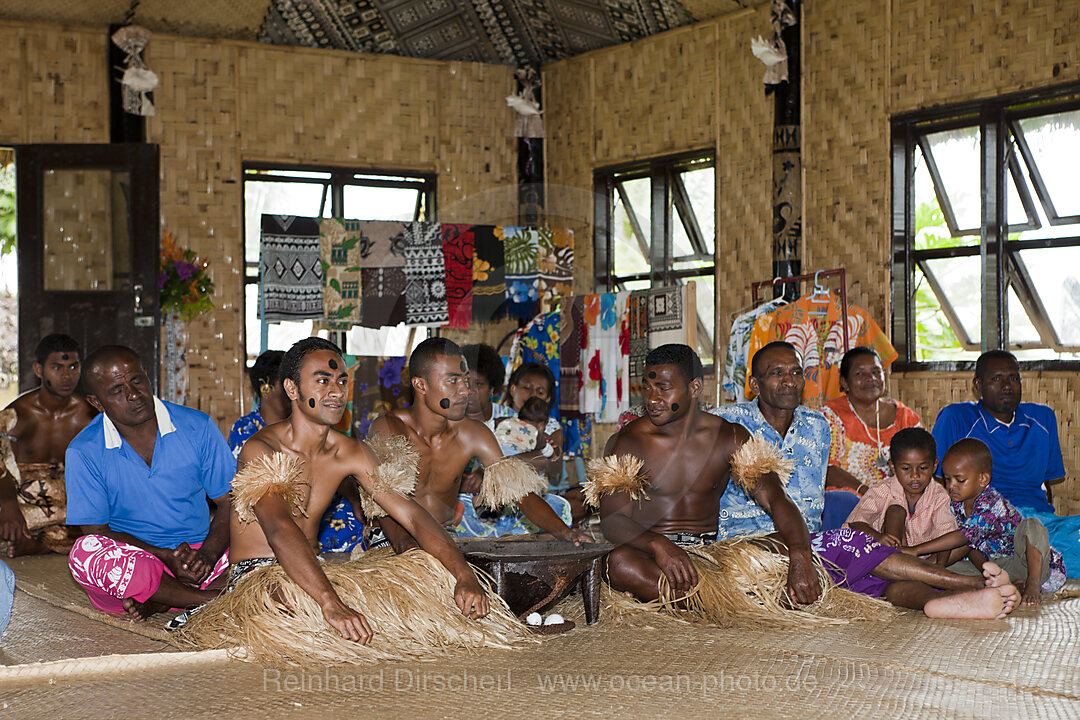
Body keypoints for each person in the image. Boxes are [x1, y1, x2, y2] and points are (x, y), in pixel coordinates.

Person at [599, 344, 1019, 620]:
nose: (652, 397)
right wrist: (660, 544)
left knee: (852, 565)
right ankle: (723, 606)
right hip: (662, 555)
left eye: (664, 388)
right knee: (618, 563)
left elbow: (777, 499)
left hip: (721, 555)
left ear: (693, 388)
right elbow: (613, 520)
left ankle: (962, 594)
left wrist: (800, 550)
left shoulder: (729, 435)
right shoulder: (628, 439)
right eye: (648, 386)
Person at [226, 337, 490, 643]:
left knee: (420, 582)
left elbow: (413, 516)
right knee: (301, 610)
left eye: (341, 381)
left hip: (316, 567)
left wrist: (463, 574)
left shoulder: (349, 451)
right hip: (260, 577)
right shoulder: (262, 450)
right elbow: (279, 528)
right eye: (322, 381)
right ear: (292, 389)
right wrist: (331, 602)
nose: (337, 392)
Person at [369, 338, 589, 550]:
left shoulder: (472, 433)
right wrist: (405, 547)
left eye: (465, 380)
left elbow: (518, 492)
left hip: (444, 536)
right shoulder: (388, 429)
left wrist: (566, 532)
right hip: (393, 537)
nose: (465, 390)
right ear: (420, 385)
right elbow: (382, 501)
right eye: (453, 380)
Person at [65, 346, 233, 620]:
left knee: (261, 529)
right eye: (117, 391)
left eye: (136, 381)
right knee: (84, 552)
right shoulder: (83, 450)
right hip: (135, 563)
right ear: (96, 402)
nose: (133, 394)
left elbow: (230, 500)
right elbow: (96, 530)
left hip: (202, 559)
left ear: (147, 375)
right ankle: (206, 599)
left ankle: (163, 598)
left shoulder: (197, 426)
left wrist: (208, 555)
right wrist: (165, 557)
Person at [930, 349, 1080, 576]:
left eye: (1013, 378)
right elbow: (939, 480)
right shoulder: (957, 418)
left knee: (1061, 538)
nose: (1007, 385)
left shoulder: (1042, 418)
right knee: (1054, 554)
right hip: (988, 524)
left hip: (1039, 521)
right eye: (996, 378)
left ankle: (1030, 565)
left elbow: (1048, 486)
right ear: (977, 384)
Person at [906, 439, 1065, 606]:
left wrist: (916, 550)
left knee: (1032, 525)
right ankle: (920, 571)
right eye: (947, 479)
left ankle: (1032, 584)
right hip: (994, 567)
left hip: (1026, 563)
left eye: (959, 480)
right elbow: (967, 546)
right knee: (950, 571)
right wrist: (936, 567)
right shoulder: (956, 505)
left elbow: (962, 538)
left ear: (983, 479)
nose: (951, 486)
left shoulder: (990, 504)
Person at [710, 341, 830, 537]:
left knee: (871, 551)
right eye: (777, 373)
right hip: (744, 548)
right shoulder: (726, 422)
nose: (790, 381)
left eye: (796, 372)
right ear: (755, 385)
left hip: (808, 545)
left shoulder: (818, 426)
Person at [0, 334, 97, 556]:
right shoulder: (17, 414)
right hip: (22, 495)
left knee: (104, 530)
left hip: (69, 499)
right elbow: (1, 465)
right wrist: (7, 505)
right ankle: (38, 542)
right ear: (38, 370)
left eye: (73, 367)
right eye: (57, 367)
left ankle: (35, 545)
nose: (67, 376)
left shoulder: (90, 416)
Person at [844, 428, 957, 564]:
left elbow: (944, 535)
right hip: (884, 557)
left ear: (934, 466)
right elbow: (855, 523)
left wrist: (940, 567)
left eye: (923, 468)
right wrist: (878, 537)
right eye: (906, 468)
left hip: (923, 559)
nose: (915, 476)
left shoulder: (939, 496)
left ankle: (927, 572)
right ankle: (897, 565)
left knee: (965, 540)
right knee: (895, 511)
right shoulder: (881, 491)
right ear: (893, 466)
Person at [823, 346, 922, 491]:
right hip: (851, 503)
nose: (870, 378)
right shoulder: (831, 415)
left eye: (876, 372)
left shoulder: (905, 417)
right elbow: (828, 469)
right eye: (860, 373)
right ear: (844, 382)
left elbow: (922, 462)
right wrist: (868, 494)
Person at [227, 350, 290, 459]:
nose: (293, 391)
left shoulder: (301, 426)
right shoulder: (244, 429)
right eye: (286, 385)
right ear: (265, 389)